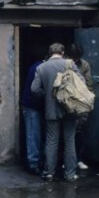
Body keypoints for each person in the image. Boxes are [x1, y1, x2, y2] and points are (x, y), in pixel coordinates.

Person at [31, 42, 81, 182]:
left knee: (52, 141)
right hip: (70, 108)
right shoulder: (70, 64)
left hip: (51, 108)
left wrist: (47, 94)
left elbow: (34, 89)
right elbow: (81, 83)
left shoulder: (41, 67)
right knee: (69, 140)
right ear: (63, 52)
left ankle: (49, 173)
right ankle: (70, 174)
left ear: (49, 53)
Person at [67, 43, 94, 171]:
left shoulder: (84, 65)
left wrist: (89, 101)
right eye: (73, 57)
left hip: (80, 103)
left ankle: (78, 159)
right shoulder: (63, 64)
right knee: (66, 132)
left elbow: (89, 84)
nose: (75, 60)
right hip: (66, 102)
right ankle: (66, 160)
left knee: (80, 132)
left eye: (77, 58)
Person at [20, 57, 45, 176]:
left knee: (34, 134)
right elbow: (35, 89)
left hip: (32, 105)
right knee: (33, 135)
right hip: (31, 105)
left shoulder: (37, 66)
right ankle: (33, 164)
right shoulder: (40, 68)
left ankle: (34, 162)